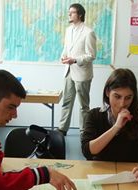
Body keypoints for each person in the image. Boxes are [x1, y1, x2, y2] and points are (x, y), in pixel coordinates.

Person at [81, 68, 138, 180]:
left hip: (130, 176)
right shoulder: (95, 115)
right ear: (107, 92)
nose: (122, 103)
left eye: (128, 98)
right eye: (117, 96)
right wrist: (116, 127)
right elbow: (88, 151)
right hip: (100, 175)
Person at [57, 3, 97, 136]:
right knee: (66, 102)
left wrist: (74, 60)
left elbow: (91, 55)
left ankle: (84, 131)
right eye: (69, 12)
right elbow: (67, 47)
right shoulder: (69, 30)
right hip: (68, 70)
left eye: (72, 12)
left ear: (80, 14)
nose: (69, 14)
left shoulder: (88, 32)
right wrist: (63, 56)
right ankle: (62, 129)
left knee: (83, 106)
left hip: (82, 73)